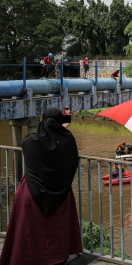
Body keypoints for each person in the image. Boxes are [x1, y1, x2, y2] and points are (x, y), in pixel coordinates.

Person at [0, 107, 82, 265]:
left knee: (29, 228)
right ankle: (57, 258)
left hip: (31, 192)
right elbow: (70, 162)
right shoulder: (68, 140)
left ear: (42, 120)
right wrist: (62, 130)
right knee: (56, 229)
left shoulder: (31, 141)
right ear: (60, 122)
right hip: (61, 194)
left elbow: (26, 143)